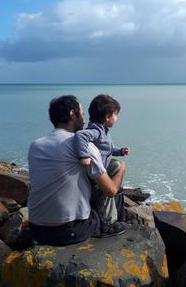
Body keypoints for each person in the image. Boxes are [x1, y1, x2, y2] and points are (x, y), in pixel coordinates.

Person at [27, 95, 126, 246]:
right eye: (82, 114)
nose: (85, 121)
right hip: (70, 231)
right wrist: (121, 170)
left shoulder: (35, 146)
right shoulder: (85, 147)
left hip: (36, 229)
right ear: (73, 114)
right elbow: (111, 190)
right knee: (115, 182)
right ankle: (110, 227)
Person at [73, 94, 129, 226]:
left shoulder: (103, 131)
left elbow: (108, 149)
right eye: (115, 114)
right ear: (107, 116)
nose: (117, 118)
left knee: (115, 163)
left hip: (102, 168)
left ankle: (112, 202)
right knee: (105, 196)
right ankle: (108, 224)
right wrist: (84, 156)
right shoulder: (95, 131)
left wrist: (120, 151)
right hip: (95, 175)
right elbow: (80, 136)